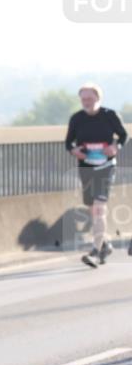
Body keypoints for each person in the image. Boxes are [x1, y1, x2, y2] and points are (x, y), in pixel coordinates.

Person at [64, 83, 127, 267]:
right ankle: (105, 244)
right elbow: (68, 143)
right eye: (83, 99)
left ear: (98, 98)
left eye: (90, 99)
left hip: (106, 167)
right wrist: (74, 151)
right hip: (86, 167)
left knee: (100, 209)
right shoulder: (76, 118)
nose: (86, 102)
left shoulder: (110, 115)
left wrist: (116, 147)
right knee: (93, 209)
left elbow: (123, 135)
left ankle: (94, 252)